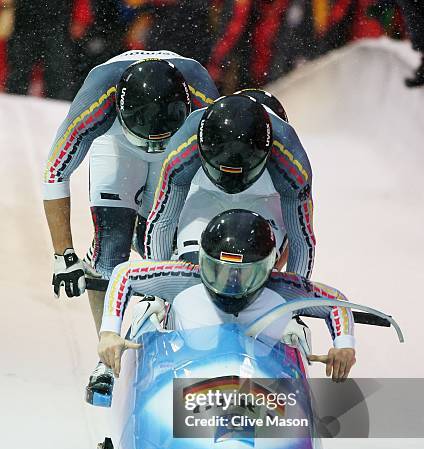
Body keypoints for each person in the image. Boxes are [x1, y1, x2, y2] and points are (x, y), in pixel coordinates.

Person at [43, 50, 219, 399]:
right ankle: (106, 357)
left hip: (178, 150)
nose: (152, 146)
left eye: (159, 139)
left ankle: (174, 333)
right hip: (119, 144)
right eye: (148, 138)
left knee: (172, 246)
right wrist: (63, 254)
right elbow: (55, 172)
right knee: (112, 240)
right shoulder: (97, 101)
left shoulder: (204, 101)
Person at [98, 210, 356, 386]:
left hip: (259, 382)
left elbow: (336, 302)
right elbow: (125, 274)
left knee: (292, 331)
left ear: (268, 268)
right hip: (188, 375)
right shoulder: (184, 276)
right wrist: (109, 332)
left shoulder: (282, 287)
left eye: (246, 274)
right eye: (220, 270)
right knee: (150, 308)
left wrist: (344, 345)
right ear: (203, 262)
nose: (232, 282)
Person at [144, 94, 315, 276]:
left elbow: (299, 239)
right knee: (192, 270)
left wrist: (292, 292)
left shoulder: (291, 161)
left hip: (265, 201)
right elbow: (164, 220)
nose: (231, 182)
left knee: (254, 273)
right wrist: (154, 292)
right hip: (206, 196)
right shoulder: (183, 146)